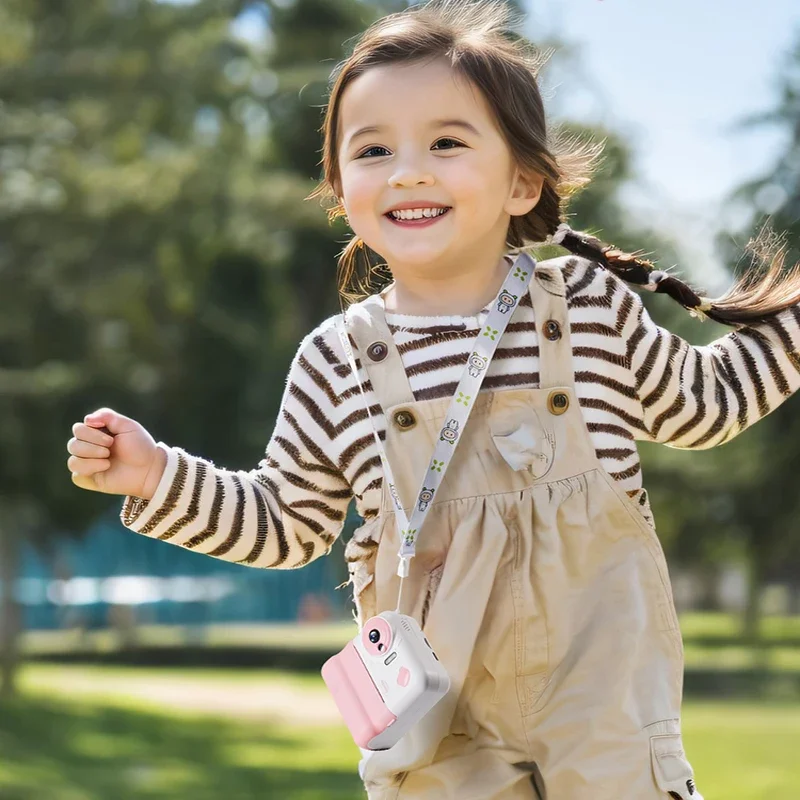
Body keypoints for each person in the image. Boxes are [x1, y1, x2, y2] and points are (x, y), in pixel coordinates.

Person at [66, 1, 800, 797]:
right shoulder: (335, 360)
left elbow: (706, 401)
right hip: (434, 717)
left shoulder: (585, 305)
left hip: (604, 697)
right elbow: (286, 522)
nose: (408, 169)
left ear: (522, 181)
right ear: (340, 186)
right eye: (373, 149)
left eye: (446, 143)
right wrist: (156, 478)